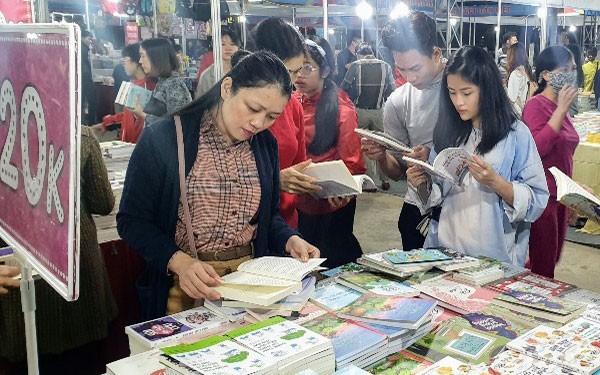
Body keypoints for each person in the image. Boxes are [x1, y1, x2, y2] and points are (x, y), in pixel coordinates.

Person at [117, 51, 320, 319]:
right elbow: (132, 221)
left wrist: (289, 239)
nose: (259, 123)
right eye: (253, 108)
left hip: (251, 286)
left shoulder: (264, 144)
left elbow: (266, 217)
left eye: (271, 116)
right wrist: (180, 262)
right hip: (187, 287)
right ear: (227, 88)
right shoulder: (166, 137)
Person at [406, 46, 548, 266]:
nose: (458, 101)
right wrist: (421, 183)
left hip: (493, 258)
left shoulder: (516, 134)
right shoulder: (448, 131)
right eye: (452, 92)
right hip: (446, 251)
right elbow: (437, 196)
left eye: (467, 92)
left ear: (487, 88)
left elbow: (537, 199)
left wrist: (496, 182)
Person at [0, 126, 117, 373]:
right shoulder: (78, 133)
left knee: (31, 359)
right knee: (87, 362)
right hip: (76, 272)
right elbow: (103, 202)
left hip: (19, 275)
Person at [362, 12, 445, 251]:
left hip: (464, 207)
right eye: (401, 70)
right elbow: (397, 172)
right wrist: (382, 157)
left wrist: (433, 154)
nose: (410, 77)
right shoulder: (397, 101)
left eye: (415, 68)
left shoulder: (463, 86)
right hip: (419, 207)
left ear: (436, 53)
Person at [295, 36, 366, 268]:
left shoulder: (341, 108)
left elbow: (353, 162)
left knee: (330, 263)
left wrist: (340, 187)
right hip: (295, 201)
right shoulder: (291, 102)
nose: (299, 74)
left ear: (324, 71)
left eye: (307, 67)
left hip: (332, 205)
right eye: (296, 67)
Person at [251, 18, 321, 229]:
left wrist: (322, 188)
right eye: (286, 72)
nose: (292, 82)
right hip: (245, 224)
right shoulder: (235, 110)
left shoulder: (293, 105)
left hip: (284, 222)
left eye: (297, 71)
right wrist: (275, 180)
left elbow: (300, 165)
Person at [522, 46, 579, 278]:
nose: (571, 74)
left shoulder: (560, 108)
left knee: (551, 258)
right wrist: (562, 109)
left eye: (573, 69)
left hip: (561, 195)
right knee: (543, 264)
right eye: (564, 69)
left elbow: (565, 155)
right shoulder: (536, 106)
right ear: (546, 75)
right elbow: (537, 148)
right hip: (544, 196)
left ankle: (520, 283)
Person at [340, 43, 394, 189]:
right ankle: (385, 179)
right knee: (381, 145)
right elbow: (392, 90)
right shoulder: (386, 66)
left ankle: (370, 181)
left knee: (365, 146)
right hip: (379, 112)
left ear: (358, 54)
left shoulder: (356, 66)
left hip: (360, 111)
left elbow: (343, 88)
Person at [93, 43, 157, 143]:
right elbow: (130, 115)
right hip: (130, 143)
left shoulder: (146, 86)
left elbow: (144, 121)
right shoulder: (136, 84)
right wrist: (106, 124)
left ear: (136, 61)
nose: (123, 65)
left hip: (137, 145)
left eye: (124, 61)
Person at [132, 38, 192, 126]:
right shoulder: (163, 81)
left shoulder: (173, 85)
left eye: (143, 56)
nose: (140, 61)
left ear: (156, 57)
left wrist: (142, 114)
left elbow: (178, 125)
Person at [196, 27, 241, 98]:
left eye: (232, 44)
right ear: (215, 47)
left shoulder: (245, 72)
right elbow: (200, 104)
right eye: (223, 44)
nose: (228, 48)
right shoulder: (207, 75)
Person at [506, 42, 536, 114]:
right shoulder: (527, 72)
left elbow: (512, 100)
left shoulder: (515, 74)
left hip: (518, 114)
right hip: (527, 111)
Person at [81, 30, 97, 125]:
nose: (90, 41)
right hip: (85, 79)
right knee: (92, 100)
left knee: (84, 101)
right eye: (88, 38)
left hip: (84, 79)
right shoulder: (82, 49)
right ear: (82, 37)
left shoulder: (84, 48)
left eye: (91, 39)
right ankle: (90, 123)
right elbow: (84, 66)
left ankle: (86, 123)